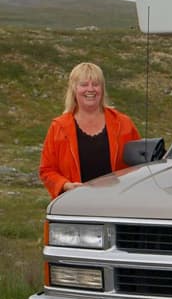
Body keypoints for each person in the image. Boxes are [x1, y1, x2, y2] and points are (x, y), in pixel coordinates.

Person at [40, 62, 140, 199]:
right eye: (84, 84)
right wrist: (65, 185)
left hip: (117, 204)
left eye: (96, 84)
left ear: (102, 89)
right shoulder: (58, 127)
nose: (90, 89)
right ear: (74, 89)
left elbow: (141, 166)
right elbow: (47, 170)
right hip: (75, 206)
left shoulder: (124, 124)